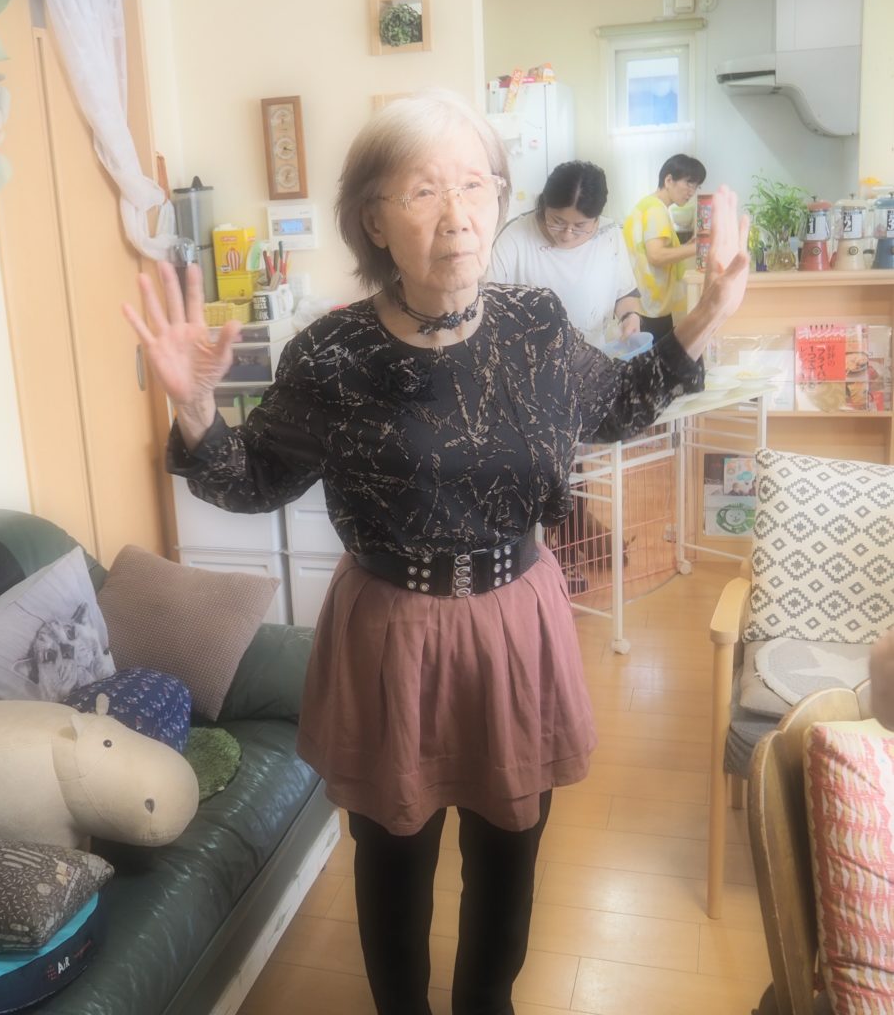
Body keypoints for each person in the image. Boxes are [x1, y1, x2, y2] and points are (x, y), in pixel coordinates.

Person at [123, 89, 749, 1015]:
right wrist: (194, 407)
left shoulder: (537, 325)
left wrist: (705, 315)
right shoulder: (330, 353)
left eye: (475, 185)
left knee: (509, 851)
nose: (456, 215)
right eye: (423, 191)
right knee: (393, 861)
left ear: (499, 199)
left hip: (516, 621)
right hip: (391, 630)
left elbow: (617, 405)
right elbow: (250, 480)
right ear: (373, 218)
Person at [488, 160, 640, 349]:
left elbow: (624, 292)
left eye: (580, 226)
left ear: (596, 219)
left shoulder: (609, 235)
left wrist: (630, 316)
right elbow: (487, 305)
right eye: (557, 221)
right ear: (545, 205)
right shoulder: (514, 237)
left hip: (592, 356)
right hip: (530, 358)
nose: (567, 235)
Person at [623, 153, 707, 337]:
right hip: (650, 307)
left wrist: (687, 245)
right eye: (688, 183)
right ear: (669, 180)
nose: (692, 191)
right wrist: (699, 247)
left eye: (696, 186)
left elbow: (653, 251)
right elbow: (656, 256)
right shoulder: (656, 210)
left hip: (642, 303)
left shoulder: (647, 205)